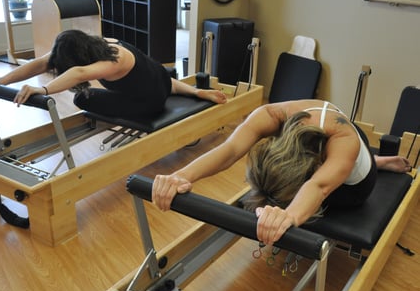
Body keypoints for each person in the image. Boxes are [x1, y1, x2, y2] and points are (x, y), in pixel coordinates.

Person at [152, 99, 412, 245]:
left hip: (357, 184)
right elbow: (231, 149)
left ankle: (376, 163)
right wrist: (181, 175)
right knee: (269, 189)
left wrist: (288, 216)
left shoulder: (343, 140)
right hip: (339, 156)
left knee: (336, 173)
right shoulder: (270, 114)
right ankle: (372, 160)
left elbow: (319, 186)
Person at [0, 29, 227, 117]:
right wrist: (0, 80)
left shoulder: (112, 61)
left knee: (81, 98)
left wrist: (42, 90)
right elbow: (39, 63)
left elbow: (79, 72)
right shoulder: (101, 43)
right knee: (159, 80)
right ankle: (197, 91)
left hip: (149, 103)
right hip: (161, 80)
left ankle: (193, 92)